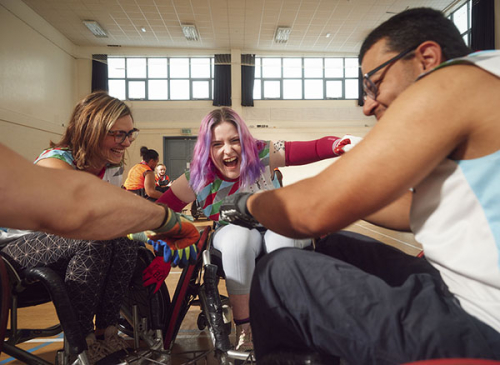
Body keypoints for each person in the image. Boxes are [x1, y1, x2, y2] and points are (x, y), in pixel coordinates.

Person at [219, 7, 500, 363]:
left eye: (373, 83)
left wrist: (248, 203)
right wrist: (343, 201)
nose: (367, 105)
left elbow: (308, 211)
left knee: (278, 271)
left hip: (481, 319)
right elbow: (414, 211)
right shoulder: (488, 79)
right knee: (337, 244)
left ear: (428, 59)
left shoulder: (454, 80)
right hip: (464, 289)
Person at [0, 92, 199, 364]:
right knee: (93, 238)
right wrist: (163, 222)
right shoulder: (54, 160)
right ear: (91, 131)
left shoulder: (111, 168)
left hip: (73, 244)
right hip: (17, 252)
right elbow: (81, 209)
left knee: (125, 240)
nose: (127, 142)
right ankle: (82, 343)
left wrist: (153, 239)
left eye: (131, 134)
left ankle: (107, 332)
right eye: (120, 135)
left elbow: (117, 220)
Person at [154, 107, 358, 351]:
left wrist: (339, 144)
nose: (227, 150)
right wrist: (165, 246)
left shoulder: (261, 152)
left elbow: (308, 148)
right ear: (207, 149)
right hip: (231, 232)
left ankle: (287, 324)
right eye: (217, 144)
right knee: (237, 238)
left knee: (284, 238)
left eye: (235, 141)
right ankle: (245, 330)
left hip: (272, 225)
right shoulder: (197, 175)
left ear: (246, 141)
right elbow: (160, 211)